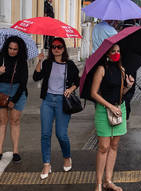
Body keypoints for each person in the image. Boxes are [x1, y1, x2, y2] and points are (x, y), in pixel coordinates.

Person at [33, 38, 80, 180]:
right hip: (47, 101)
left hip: (62, 102)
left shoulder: (70, 65)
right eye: (53, 47)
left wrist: (71, 89)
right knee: (45, 134)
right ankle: (46, 164)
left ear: (64, 49)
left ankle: (67, 157)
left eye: (59, 47)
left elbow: (77, 81)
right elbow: (36, 77)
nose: (56, 49)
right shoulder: (47, 63)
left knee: (61, 134)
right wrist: (39, 61)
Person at [91, 44, 134, 191]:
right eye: (113, 51)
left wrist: (128, 86)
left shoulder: (122, 70)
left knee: (114, 145)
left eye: (118, 51)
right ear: (107, 53)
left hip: (119, 108)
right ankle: (98, 183)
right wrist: (110, 106)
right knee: (104, 147)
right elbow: (94, 93)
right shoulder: (101, 69)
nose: (116, 54)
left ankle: (108, 181)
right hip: (104, 110)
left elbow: (121, 92)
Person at [0, 36, 28, 163]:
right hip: (0, 91)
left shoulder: (22, 61)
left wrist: (14, 100)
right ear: (7, 47)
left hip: (18, 92)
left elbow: (23, 83)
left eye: (15, 49)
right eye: (10, 48)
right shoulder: (0, 57)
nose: (12, 51)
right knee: (1, 121)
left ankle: (15, 151)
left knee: (15, 121)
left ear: (19, 50)